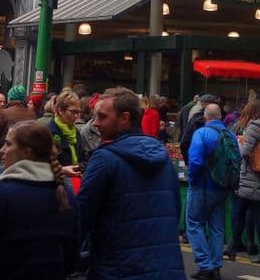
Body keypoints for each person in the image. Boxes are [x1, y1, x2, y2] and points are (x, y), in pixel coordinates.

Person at [78, 86, 184, 279]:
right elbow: (175, 210)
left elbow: (82, 217)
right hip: (166, 268)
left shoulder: (104, 159)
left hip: (118, 268)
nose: (95, 123)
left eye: (102, 117)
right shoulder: (163, 157)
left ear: (124, 118)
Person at [0, 121, 80, 279]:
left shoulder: (5, 192)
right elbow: (72, 253)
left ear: (27, 152)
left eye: (8, 144)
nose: (2, 151)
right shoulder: (64, 192)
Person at [186, 103, 237, 280]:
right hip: (223, 187)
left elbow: (195, 161)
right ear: (221, 117)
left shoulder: (201, 133)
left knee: (194, 224)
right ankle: (215, 267)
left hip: (203, 186)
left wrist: (192, 181)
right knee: (216, 227)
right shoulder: (230, 134)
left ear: (206, 117)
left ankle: (205, 265)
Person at [226, 100, 260, 264]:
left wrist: (240, 145)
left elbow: (246, 152)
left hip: (249, 177)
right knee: (250, 213)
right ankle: (237, 247)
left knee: (245, 213)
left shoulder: (253, 128)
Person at [47, 89, 86, 173]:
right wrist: (62, 170)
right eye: (73, 112)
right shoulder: (48, 133)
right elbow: (42, 165)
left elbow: (83, 159)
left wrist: (79, 167)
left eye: (79, 112)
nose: (76, 116)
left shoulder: (76, 133)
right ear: (60, 110)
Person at [180, 94, 214, 165]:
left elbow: (184, 141)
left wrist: (187, 161)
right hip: (212, 163)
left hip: (195, 158)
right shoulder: (219, 123)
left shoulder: (195, 118)